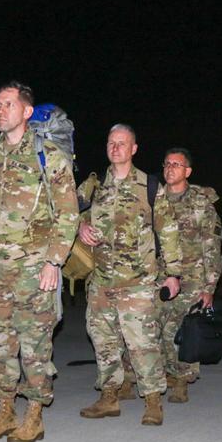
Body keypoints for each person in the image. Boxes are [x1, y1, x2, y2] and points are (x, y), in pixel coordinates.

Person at [0, 81, 79, 442]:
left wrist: (54, 262)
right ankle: (4, 410)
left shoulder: (49, 157)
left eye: (9, 104)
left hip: (34, 269)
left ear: (27, 111)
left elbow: (68, 214)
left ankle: (34, 413)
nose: (1, 110)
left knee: (34, 344)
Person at [77, 124, 182, 425]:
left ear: (133, 149)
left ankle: (152, 401)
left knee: (142, 344)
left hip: (137, 281)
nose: (115, 148)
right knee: (104, 341)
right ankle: (109, 397)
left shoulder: (149, 186)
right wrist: (81, 228)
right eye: (111, 143)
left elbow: (168, 231)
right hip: (101, 280)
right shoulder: (94, 186)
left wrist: (173, 274)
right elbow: (70, 215)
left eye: (122, 143)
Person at [158, 148, 222, 402]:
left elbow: (211, 244)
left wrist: (210, 286)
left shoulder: (200, 202)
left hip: (192, 277)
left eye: (176, 164)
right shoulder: (155, 198)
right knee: (159, 330)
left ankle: (182, 379)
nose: (170, 168)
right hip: (159, 276)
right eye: (167, 163)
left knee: (183, 331)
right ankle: (165, 374)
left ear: (188, 171)